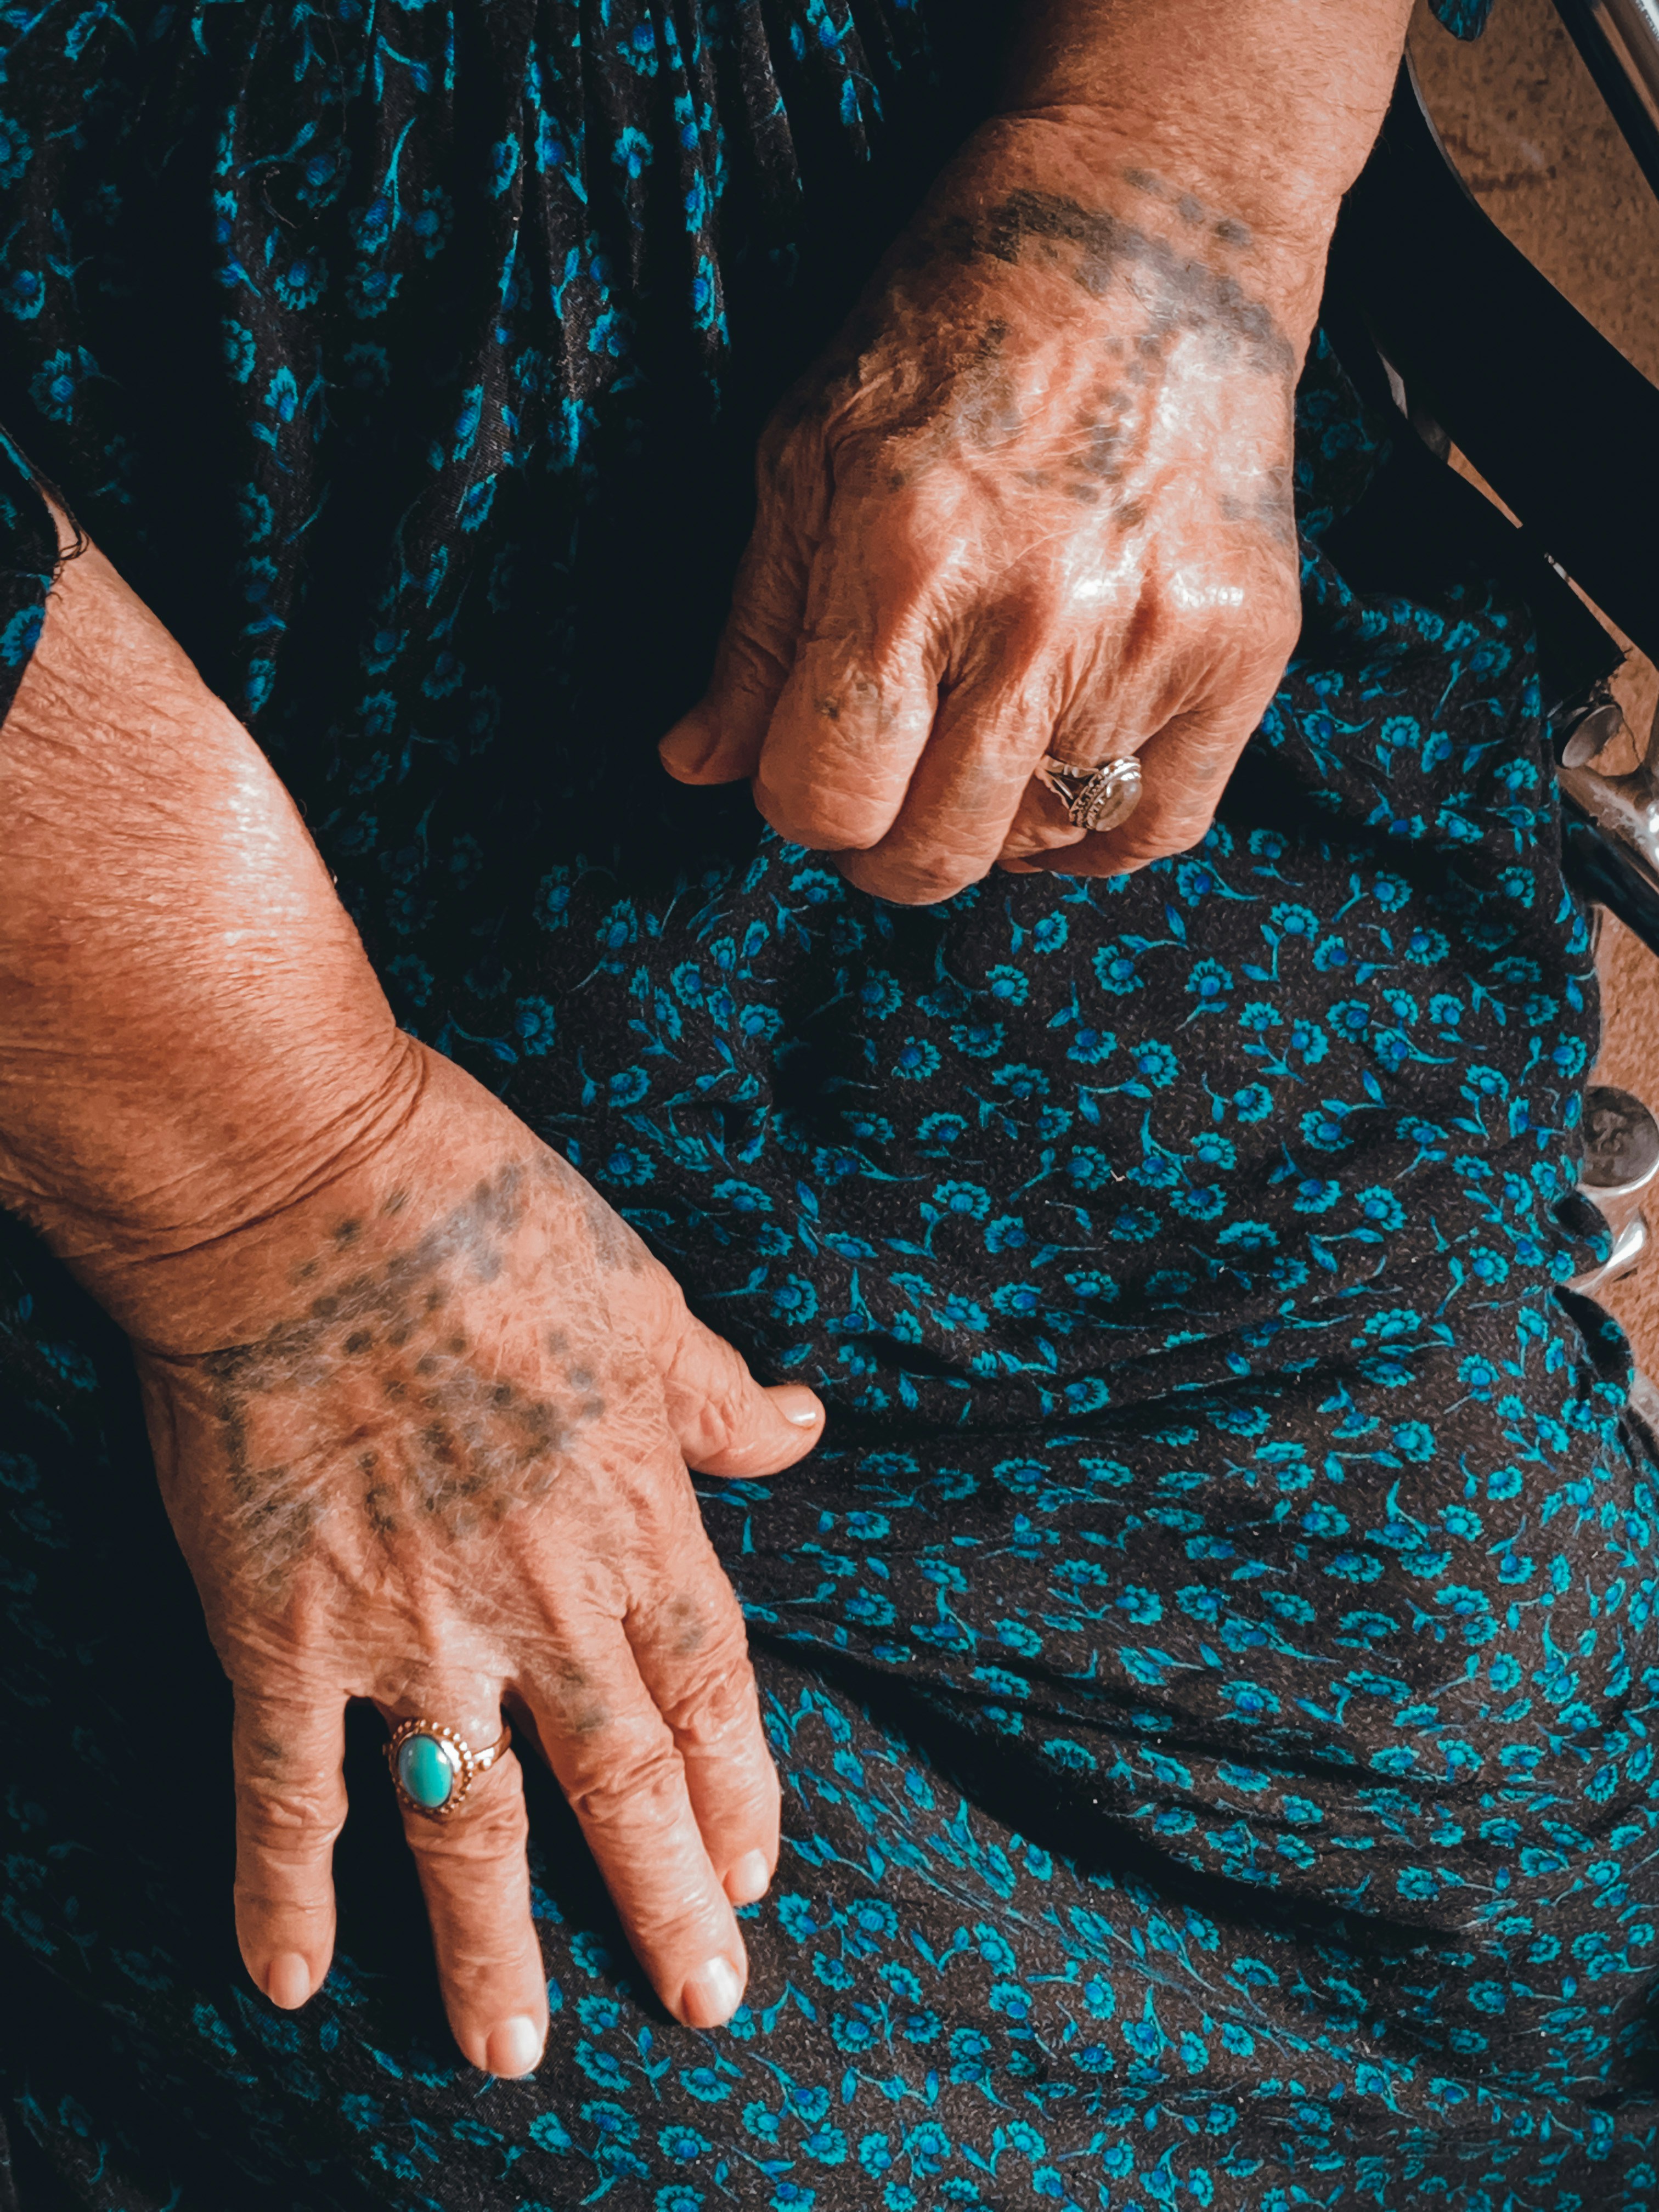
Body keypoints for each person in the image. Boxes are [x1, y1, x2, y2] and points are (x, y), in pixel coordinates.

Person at [1, 0, 1655, 2199]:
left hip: (933, 445)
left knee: (1528, 1918)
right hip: (129, 964)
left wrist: (1171, 189)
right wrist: (284, 1192)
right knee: (643, 2109)